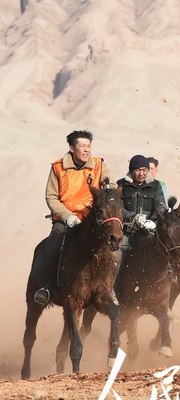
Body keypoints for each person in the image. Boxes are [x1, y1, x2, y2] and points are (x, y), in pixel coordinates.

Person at [32, 130, 105, 306]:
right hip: (66, 221)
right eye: (82, 146)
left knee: (114, 252)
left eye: (89, 146)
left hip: (91, 221)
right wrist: (67, 216)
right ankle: (45, 288)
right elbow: (51, 197)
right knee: (51, 248)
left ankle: (107, 290)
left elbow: (108, 187)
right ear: (72, 148)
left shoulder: (99, 165)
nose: (87, 150)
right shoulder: (58, 167)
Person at [114, 155, 168, 283]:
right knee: (116, 256)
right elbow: (118, 207)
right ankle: (112, 287)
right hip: (126, 232)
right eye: (138, 170)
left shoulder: (155, 186)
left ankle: (166, 283)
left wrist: (153, 221)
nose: (141, 173)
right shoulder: (121, 184)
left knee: (165, 252)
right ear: (131, 170)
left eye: (144, 170)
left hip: (148, 232)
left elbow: (161, 205)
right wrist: (133, 217)